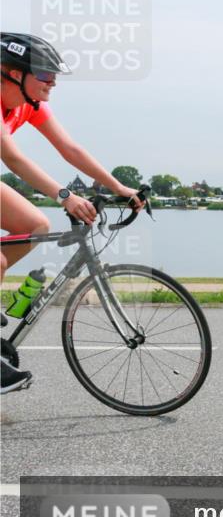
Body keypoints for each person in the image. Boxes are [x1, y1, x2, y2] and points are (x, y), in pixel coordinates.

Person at [1, 32, 142, 394]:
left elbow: (70, 148)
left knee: (34, 225)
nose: (53, 83)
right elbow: (13, 158)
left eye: (54, 76)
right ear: (13, 73)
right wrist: (64, 195)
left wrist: (119, 187)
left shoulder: (29, 104)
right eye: (45, 75)